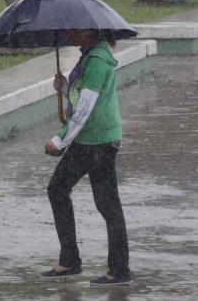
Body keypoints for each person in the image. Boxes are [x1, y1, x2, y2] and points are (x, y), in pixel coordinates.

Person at [41, 28, 131, 285]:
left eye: (75, 28)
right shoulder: (90, 56)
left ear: (90, 31)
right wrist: (64, 86)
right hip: (88, 140)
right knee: (58, 189)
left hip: (99, 141)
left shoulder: (97, 62)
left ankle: (118, 269)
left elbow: (84, 108)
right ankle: (70, 260)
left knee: (107, 205)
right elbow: (79, 96)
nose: (70, 31)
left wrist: (59, 141)